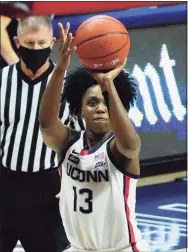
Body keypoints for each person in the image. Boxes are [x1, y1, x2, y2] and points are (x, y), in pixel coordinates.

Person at [39, 23, 150, 252]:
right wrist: (60, 68)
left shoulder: (119, 149)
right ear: (80, 110)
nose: (100, 108)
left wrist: (108, 83)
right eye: (92, 103)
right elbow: (47, 123)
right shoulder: (68, 143)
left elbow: (130, 144)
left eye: (106, 102)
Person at [0, 16, 70, 252]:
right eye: (30, 44)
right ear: (17, 42)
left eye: (42, 44)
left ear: (52, 43)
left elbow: (79, 141)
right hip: (5, 183)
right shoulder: (2, 80)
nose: (36, 49)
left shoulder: (67, 86)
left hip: (47, 190)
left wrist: (71, 180)